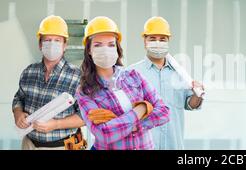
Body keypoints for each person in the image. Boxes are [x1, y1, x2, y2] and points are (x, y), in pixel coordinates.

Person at [75, 16, 170, 150]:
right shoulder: (85, 91)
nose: (105, 49)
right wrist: (141, 109)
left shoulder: (134, 76)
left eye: (111, 44)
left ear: (117, 48)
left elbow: (164, 112)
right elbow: (104, 134)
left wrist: (128, 125)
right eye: (98, 45)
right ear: (89, 50)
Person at [128, 16, 204, 150]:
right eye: (152, 38)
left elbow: (190, 105)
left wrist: (197, 95)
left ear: (168, 41)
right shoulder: (131, 73)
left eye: (162, 39)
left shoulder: (180, 73)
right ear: (145, 41)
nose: (158, 42)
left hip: (174, 145)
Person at [12, 15, 84, 150]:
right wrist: (18, 113)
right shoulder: (29, 72)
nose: (52, 44)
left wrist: (56, 124)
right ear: (40, 44)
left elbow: (86, 116)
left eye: (57, 40)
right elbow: (19, 98)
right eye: (47, 40)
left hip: (63, 146)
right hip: (29, 144)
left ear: (65, 45)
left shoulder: (77, 76)